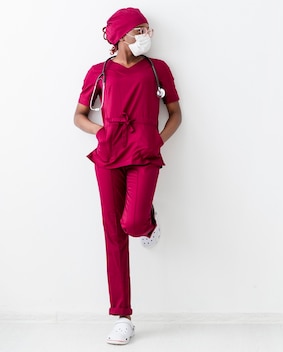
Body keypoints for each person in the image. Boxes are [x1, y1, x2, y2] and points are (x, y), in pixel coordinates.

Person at [73, 7, 182, 345]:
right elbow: (79, 116)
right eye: (140, 30)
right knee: (113, 232)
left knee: (132, 223)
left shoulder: (157, 68)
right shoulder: (99, 71)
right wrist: (100, 132)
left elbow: (176, 113)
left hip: (144, 154)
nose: (146, 36)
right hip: (109, 156)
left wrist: (156, 139)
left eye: (149, 30)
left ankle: (147, 223)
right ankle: (123, 316)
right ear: (120, 36)